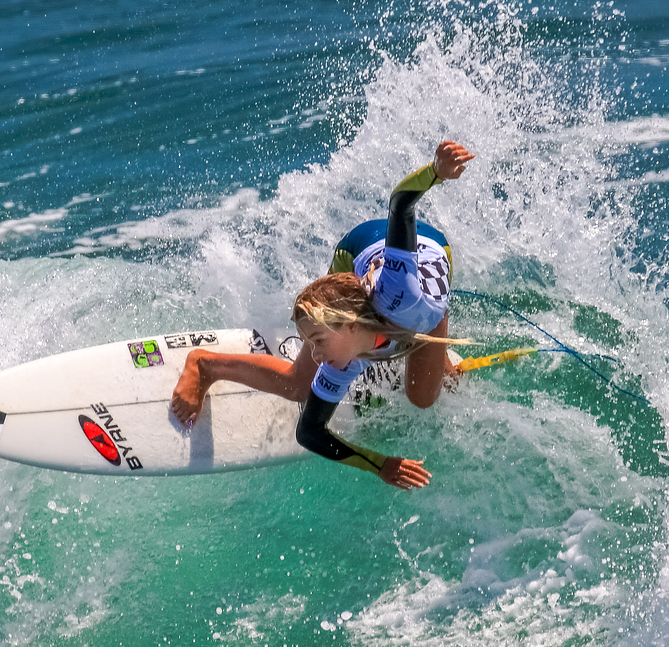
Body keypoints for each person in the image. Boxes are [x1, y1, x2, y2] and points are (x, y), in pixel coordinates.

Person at [170, 140, 474, 489]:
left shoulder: (400, 293)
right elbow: (310, 432)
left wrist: (436, 172)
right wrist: (378, 464)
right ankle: (206, 365)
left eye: (317, 340)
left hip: (423, 257)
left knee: (423, 396)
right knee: (300, 384)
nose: (316, 353)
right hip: (356, 252)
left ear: (348, 324)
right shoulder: (340, 362)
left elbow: (401, 204)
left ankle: (433, 355)